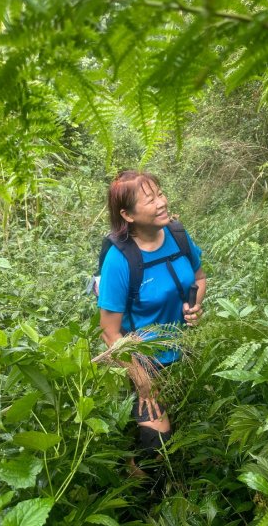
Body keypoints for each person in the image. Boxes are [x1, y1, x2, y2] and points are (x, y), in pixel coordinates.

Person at [97, 170, 206, 476]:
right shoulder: (120, 260)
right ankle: (140, 489)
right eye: (150, 199)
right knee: (157, 449)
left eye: (160, 193)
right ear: (127, 214)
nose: (161, 202)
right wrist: (142, 381)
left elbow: (199, 277)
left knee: (194, 439)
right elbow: (109, 331)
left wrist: (195, 306)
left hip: (187, 354)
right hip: (145, 362)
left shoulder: (178, 235)